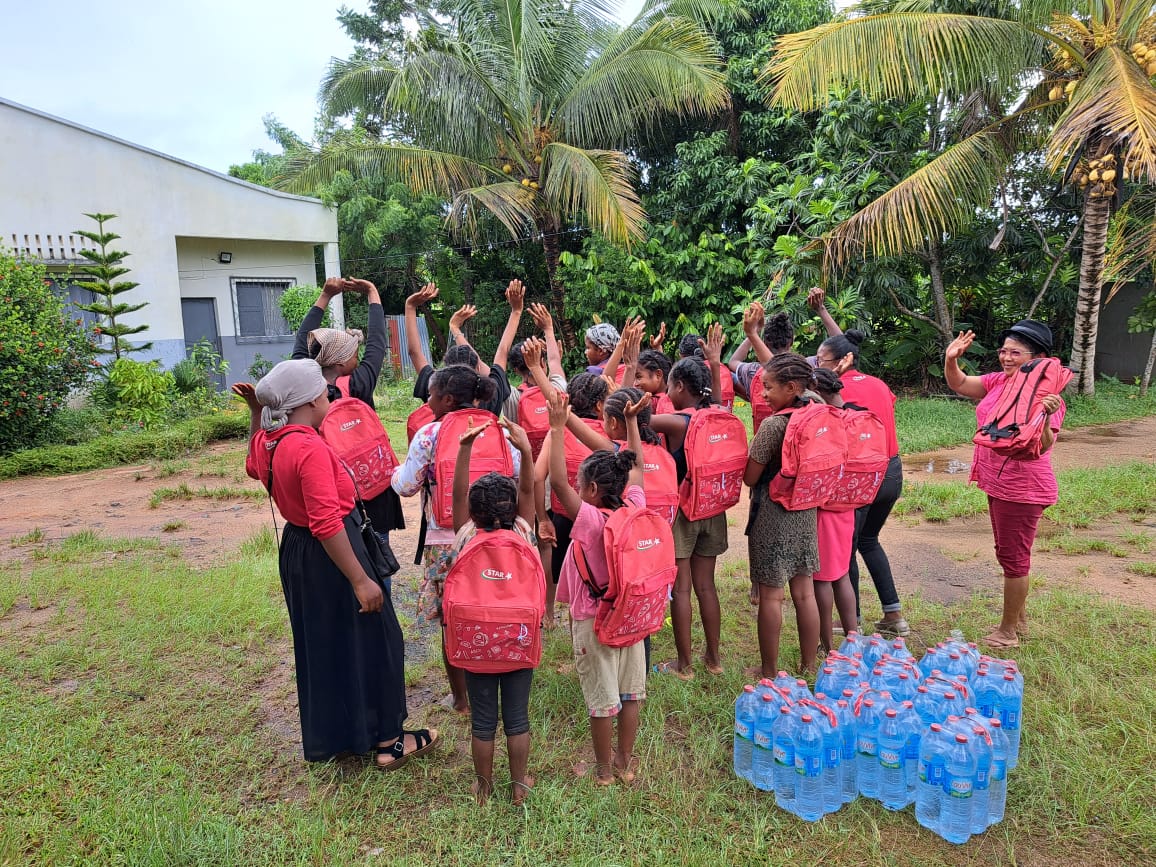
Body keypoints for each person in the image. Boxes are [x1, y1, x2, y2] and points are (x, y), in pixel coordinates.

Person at [234, 360, 437, 768]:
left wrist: (257, 413)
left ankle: (343, 735)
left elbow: (254, 465)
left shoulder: (272, 440)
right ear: (311, 399)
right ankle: (390, 741)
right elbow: (327, 521)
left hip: (299, 551)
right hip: (334, 551)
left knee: (328, 645)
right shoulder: (307, 446)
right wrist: (361, 579)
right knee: (378, 641)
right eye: (325, 391)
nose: (331, 395)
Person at [391, 364, 523, 712]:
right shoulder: (500, 432)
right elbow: (519, 477)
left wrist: (392, 472)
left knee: (453, 615)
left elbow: (406, 486)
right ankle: (501, 676)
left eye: (431, 394)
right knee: (493, 607)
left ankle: (462, 699)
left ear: (447, 399)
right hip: (494, 535)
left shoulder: (428, 434)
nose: (428, 399)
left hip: (444, 540)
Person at [549, 387, 649, 786]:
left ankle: (603, 771)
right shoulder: (635, 506)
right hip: (632, 616)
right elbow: (637, 467)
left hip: (594, 618)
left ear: (591, 491)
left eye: (580, 482)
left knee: (602, 701)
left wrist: (557, 429)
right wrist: (630, 424)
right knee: (630, 695)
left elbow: (556, 483)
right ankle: (626, 763)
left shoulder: (590, 521)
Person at [943, 321, 1065, 649]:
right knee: (1006, 553)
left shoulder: (1046, 395)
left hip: (1022, 487)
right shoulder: (1001, 381)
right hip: (998, 482)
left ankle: (1008, 631)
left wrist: (1045, 416)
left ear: (1038, 357)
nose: (1006, 358)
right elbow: (962, 384)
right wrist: (951, 359)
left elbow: (1042, 445)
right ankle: (1020, 621)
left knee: (1014, 559)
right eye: (1003, 351)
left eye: (1015, 353)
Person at [449, 417, 540, 805]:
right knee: (517, 717)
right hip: (518, 638)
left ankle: (483, 787)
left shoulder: (464, 532)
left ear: (472, 510)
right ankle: (519, 786)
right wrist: (525, 450)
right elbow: (529, 488)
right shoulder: (524, 529)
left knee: (482, 720)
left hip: (476, 640)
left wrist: (465, 448)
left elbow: (455, 496)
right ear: (515, 506)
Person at [292, 277, 405, 576]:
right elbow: (379, 342)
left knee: (338, 561)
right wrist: (372, 292)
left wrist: (325, 296)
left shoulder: (305, 388)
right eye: (354, 353)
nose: (360, 356)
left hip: (331, 489)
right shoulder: (359, 383)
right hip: (372, 492)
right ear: (342, 362)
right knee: (377, 552)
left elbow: (302, 345)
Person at [815, 328, 909, 636]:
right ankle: (893, 613)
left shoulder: (834, 392)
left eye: (822, 359)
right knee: (868, 541)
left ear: (843, 360)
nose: (818, 365)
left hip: (861, 478)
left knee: (846, 547)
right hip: (892, 471)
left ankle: (849, 618)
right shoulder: (879, 384)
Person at [650, 325, 727, 678]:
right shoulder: (716, 413)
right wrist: (715, 363)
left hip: (684, 510)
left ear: (680, 387)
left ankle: (684, 665)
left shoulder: (677, 421)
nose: (666, 391)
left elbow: (631, 418)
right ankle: (713, 659)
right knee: (706, 586)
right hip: (714, 506)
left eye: (668, 385)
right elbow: (718, 397)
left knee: (681, 588)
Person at [742, 353, 822, 677]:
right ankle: (809, 664)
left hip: (773, 514)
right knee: (805, 592)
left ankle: (769, 670)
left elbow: (750, 476)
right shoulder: (817, 412)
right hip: (806, 510)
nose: (762, 394)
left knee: (772, 596)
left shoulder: (774, 425)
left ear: (791, 388)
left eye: (769, 388)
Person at [405, 280, 525, 418]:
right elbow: (503, 351)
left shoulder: (438, 390)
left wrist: (410, 306)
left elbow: (414, 352)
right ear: (478, 369)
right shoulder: (491, 395)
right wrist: (516, 311)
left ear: (446, 370)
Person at [810, 368, 860, 653]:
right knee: (841, 573)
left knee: (822, 578)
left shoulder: (827, 424)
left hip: (825, 507)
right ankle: (852, 638)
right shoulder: (855, 415)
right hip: (848, 505)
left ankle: (827, 645)